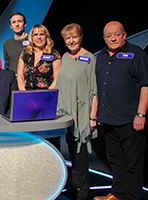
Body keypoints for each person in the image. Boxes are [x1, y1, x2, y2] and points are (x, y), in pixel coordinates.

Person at [94, 21, 148, 200]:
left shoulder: (136, 54)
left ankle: (133, 197)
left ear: (124, 35)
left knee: (133, 162)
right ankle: (117, 194)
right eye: (109, 36)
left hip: (130, 119)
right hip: (108, 119)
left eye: (116, 34)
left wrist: (141, 114)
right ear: (104, 38)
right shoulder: (101, 56)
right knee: (115, 160)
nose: (113, 38)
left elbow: (145, 86)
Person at [56, 23, 97, 200]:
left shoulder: (89, 58)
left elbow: (94, 89)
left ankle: (85, 189)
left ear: (80, 37)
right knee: (72, 151)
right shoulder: (64, 57)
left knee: (80, 153)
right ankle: (75, 185)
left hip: (81, 113)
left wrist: (92, 116)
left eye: (74, 37)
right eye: (68, 38)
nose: (71, 41)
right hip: (66, 112)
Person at [17, 24, 62, 90]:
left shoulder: (54, 54)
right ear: (32, 38)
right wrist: (23, 93)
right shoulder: (25, 53)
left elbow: (57, 79)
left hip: (46, 93)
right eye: (35, 35)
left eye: (42, 34)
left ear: (46, 37)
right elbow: (20, 77)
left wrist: (47, 94)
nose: (39, 37)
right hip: (27, 94)